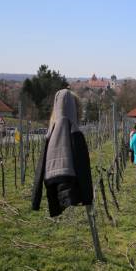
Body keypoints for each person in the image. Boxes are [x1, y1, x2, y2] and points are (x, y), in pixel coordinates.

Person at [31, 89, 93, 217]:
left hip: (51, 184)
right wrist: (88, 198)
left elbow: (40, 168)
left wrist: (35, 201)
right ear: (76, 110)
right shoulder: (74, 131)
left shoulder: (50, 132)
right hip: (70, 183)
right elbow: (83, 167)